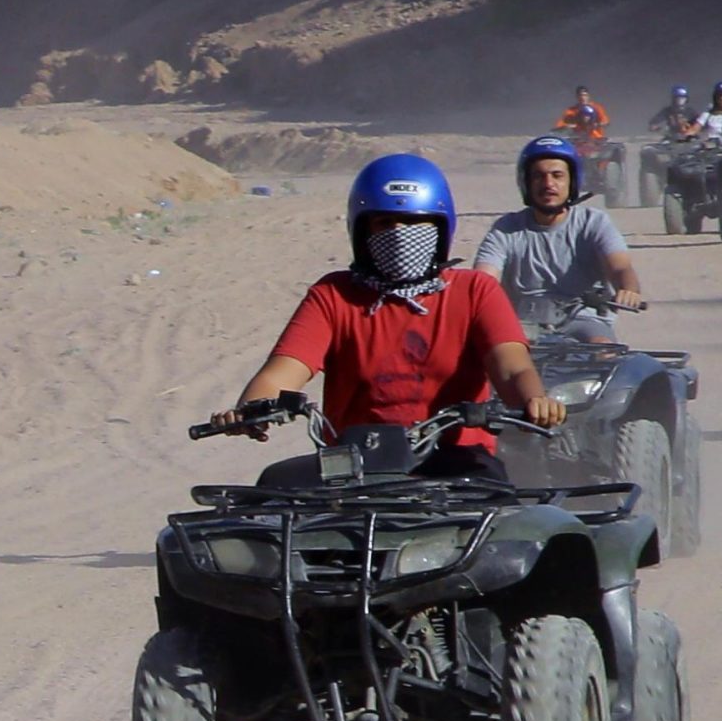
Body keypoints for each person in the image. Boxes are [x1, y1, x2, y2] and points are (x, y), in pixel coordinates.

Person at [211, 154, 566, 478]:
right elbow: (283, 371)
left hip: (456, 460)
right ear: (361, 231)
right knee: (274, 488)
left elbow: (512, 366)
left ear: (441, 229)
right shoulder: (333, 296)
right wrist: (250, 410)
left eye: (415, 224)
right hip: (353, 464)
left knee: (500, 528)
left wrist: (533, 400)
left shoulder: (475, 291)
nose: (399, 235)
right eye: (384, 223)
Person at [473, 135, 647, 341]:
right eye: (538, 176)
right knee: (493, 362)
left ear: (572, 181)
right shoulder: (506, 229)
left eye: (557, 175)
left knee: (604, 351)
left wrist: (628, 289)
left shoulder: (593, 222)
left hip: (584, 319)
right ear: (526, 182)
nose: (548, 184)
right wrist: (476, 299)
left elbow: (620, 267)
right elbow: (483, 279)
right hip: (523, 324)